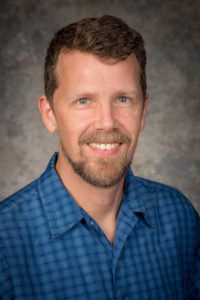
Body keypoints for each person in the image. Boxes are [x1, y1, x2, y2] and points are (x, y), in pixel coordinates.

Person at [0, 15, 199, 300]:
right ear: (49, 114)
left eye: (123, 99)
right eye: (84, 101)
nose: (107, 123)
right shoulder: (5, 240)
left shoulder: (179, 217)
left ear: (142, 112)